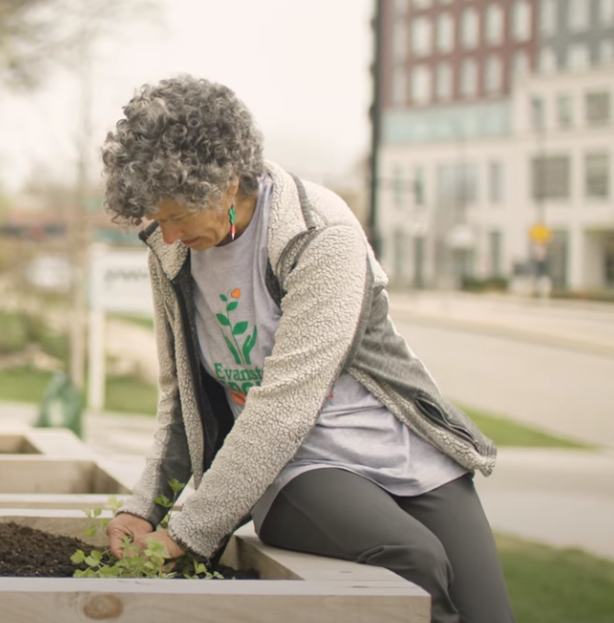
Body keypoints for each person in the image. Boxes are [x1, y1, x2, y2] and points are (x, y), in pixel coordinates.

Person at [98, 75, 514, 623]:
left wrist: (188, 531)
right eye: (158, 218)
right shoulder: (172, 256)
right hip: (296, 466)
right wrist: (146, 509)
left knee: (488, 614)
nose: (167, 234)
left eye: (176, 215)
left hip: (397, 447)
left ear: (224, 182)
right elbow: (183, 396)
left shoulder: (319, 232)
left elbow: (288, 399)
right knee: (413, 561)